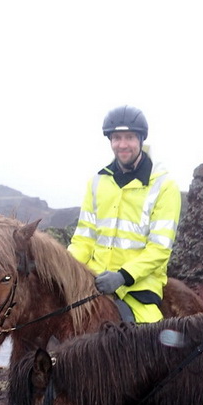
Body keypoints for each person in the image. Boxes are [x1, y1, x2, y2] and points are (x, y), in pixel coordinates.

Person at [68, 105, 181, 323]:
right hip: (93, 281)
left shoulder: (164, 186)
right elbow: (84, 239)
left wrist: (123, 276)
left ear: (140, 139)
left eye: (129, 137)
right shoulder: (97, 182)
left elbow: (159, 248)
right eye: (117, 138)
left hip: (139, 285)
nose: (122, 144)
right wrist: (64, 269)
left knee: (145, 346)